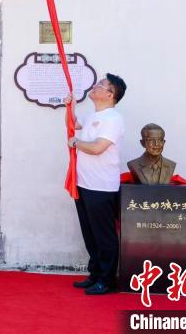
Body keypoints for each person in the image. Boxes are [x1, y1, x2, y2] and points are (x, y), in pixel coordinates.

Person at [64, 73, 127, 295]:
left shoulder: (113, 119)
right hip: (84, 183)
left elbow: (98, 147)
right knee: (90, 234)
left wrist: (76, 143)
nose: (95, 86)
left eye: (101, 85)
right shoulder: (94, 116)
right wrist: (70, 106)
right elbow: (73, 125)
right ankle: (95, 274)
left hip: (101, 187)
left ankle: (107, 280)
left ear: (110, 94)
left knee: (104, 236)